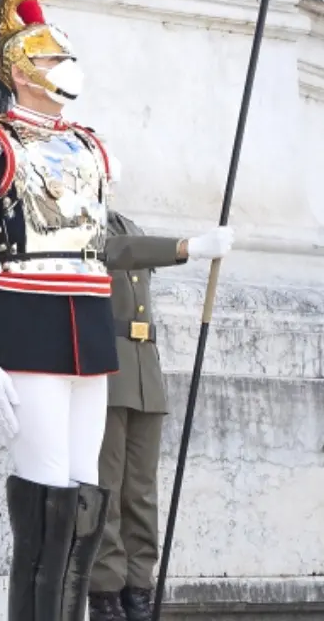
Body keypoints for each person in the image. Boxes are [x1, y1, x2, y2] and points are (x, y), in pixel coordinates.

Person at [0, 0, 171, 621]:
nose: (67, 67)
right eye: (53, 57)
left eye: (67, 56)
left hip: (90, 329)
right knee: (46, 498)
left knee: (87, 496)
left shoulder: (88, 144)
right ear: (19, 69)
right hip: (24, 327)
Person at [90, 213, 233, 621]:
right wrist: (187, 247)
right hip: (108, 370)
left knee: (141, 490)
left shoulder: (129, 225)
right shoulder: (82, 223)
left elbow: (133, 247)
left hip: (143, 370)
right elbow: (119, 253)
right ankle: (106, 593)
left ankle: (139, 588)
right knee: (107, 487)